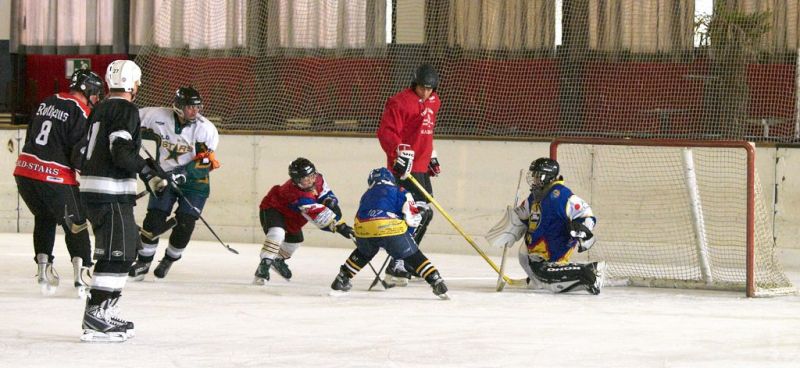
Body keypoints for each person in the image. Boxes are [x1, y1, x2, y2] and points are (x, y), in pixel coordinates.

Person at [78, 59, 171, 342]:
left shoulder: (99, 108)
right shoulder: (127, 109)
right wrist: (147, 171)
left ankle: (104, 309)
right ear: (134, 84)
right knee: (117, 254)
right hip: (110, 193)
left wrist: (145, 166)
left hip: (96, 190)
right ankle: (95, 315)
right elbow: (119, 152)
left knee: (126, 249)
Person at [13, 68, 103, 298]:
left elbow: (34, 132)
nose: (97, 99)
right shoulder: (81, 111)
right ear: (88, 90)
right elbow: (78, 153)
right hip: (54, 176)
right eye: (96, 94)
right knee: (77, 223)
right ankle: (82, 273)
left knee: (44, 217)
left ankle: (44, 269)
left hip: (25, 172)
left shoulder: (48, 101)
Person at [128, 86, 220, 281]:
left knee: (185, 224)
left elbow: (206, 161)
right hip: (164, 178)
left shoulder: (205, 129)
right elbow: (130, 117)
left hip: (196, 183)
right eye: (190, 107)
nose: (195, 111)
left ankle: (169, 258)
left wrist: (183, 173)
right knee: (154, 219)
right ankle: (144, 262)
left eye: (197, 107)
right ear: (178, 107)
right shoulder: (158, 115)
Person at [488, 158, 605, 295]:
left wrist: (581, 228)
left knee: (544, 274)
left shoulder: (561, 195)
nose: (534, 179)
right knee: (527, 261)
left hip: (554, 247)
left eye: (537, 176)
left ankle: (590, 272)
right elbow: (523, 216)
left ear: (547, 176)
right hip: (536, 248)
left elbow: (586, 213)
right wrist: (512, 225)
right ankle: (537, 279)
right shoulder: (535, 196)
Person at [330, 168, 448, 299]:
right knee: (413, 254)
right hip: (390, 228)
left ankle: (342, 278)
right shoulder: (401, 191)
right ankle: (435, 280)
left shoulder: (366, 194)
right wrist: (409, 232)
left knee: (363, 253)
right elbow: (413, 220)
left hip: (363, 228)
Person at [376, 63, 442, 284]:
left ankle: (405, 259)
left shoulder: (435, 102)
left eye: (430, 89)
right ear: (414, 83)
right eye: (422, 88)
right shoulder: (399, 102)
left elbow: (426, 133)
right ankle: (399, 262)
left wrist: (431, 155)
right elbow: (386, 132)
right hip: (405, 168)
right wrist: (398, 155)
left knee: (422, 213)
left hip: (421, 167)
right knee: (417, 213)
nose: (426, 93)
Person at [253, 157, 354, 284]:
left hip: (294, 215)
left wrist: (330, 201)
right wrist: (341, 227)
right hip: (274, 208)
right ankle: (265, 264)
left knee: (295, 241)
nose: (311, 180)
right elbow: (318, 216)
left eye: (312, 175)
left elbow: (325, 192)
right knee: (278, 233)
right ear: (296, 181)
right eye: (306, 178)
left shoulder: (318, 178)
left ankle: (277, 259)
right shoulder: (297, 194)